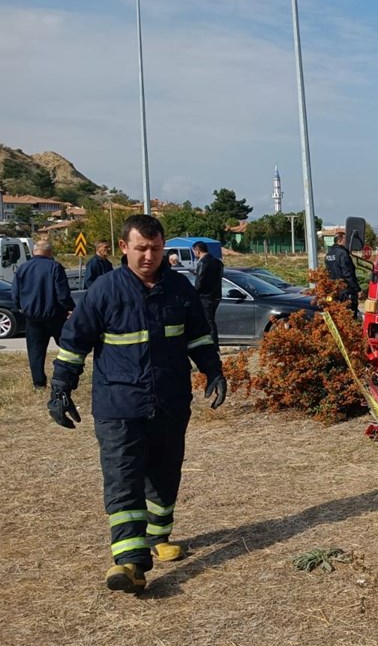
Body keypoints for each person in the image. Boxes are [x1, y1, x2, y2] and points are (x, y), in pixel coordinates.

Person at [49, 214, 226, 594]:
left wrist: (213, 371)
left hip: (170, 402)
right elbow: (74, 342)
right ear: (124, 248)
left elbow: (198, 337)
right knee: (123, 478)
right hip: (119, 405)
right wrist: (61, 386)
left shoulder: (180, 290)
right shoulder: (104, 291)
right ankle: (130, 562)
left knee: (165, 474)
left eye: (156, 248)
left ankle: (159, 537)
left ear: (164, 248)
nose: (149, 256)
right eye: (141, 248)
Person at [12, 239, 74, 388]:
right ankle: (66, 376)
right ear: (50, 252)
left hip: (32, 318)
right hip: (55, 316)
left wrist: (21, 307)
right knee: (67, 347)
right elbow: (62, 293)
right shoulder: (55, 267)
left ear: (34, 251)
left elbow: (15, 293)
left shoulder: (23, 268)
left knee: (35, 352)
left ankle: (39, 383)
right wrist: (70, 308)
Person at [192, 241, 223, 346]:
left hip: (205, 297)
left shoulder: (202, 263)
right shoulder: (218, 262)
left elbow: (199, 282)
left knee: (208, 321)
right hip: (216, 296)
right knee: (211, 320)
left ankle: (213, 345)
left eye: (194, 252)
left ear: (197, 251)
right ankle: (212, 344)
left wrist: (193, 293)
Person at [324, 231, 360, 318]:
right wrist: (357, 289)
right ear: (340, 241)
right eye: (345, 240)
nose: (347, 243)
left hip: (333, 291)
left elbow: (327, 272)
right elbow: (348, 273)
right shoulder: (343, 254)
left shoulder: (328, 254)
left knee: (335, 315)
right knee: (349, 316)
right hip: (345, 292)